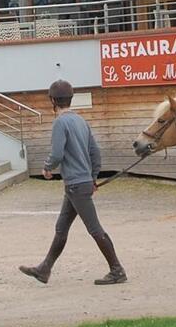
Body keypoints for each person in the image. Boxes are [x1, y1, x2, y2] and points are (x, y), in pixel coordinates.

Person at [18, 79, 127, 285]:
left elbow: (57, 153)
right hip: (79, 183)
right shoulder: (81, 121)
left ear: (52, 100)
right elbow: (95, 152)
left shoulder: (60, 122)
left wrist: (47, 167)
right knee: (61, 227)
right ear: (70, 99)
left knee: (95, 229)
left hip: (76, 184)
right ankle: (44, 269)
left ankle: (117, 270)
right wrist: (93, 177)